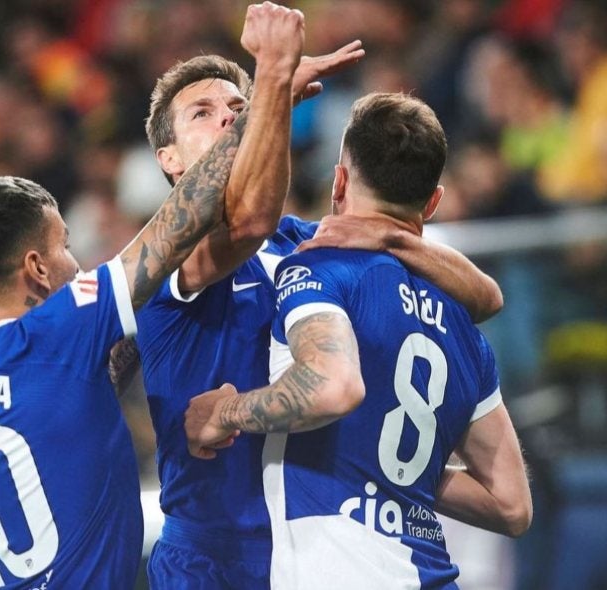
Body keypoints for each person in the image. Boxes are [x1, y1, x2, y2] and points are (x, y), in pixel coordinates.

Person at [123, 4, 502, 589]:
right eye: (202, 113)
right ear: (168, 160)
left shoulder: (302, 243)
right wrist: (271, 86)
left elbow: (484, 296)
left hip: (314, 553)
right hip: (213, 559)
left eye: (237, 108)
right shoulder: (168, 256)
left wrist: (392, 237)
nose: (227, 119)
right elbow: (246, 222)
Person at [185, 92, 532, 589]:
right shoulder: (464, 327)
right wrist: (396, 466)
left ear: (340, 181)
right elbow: (512, 506)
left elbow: (333, 388)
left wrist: (226, 412)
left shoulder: (319, 267)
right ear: (432, 203)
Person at [0, 79, 247, 590]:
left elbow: (78, 394)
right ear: (36, 268)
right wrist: (263, 105)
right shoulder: (56, 332)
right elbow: (177, 225)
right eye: (64, 246)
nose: (75, 264)